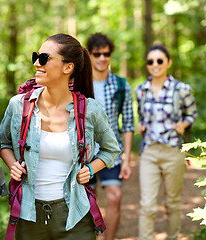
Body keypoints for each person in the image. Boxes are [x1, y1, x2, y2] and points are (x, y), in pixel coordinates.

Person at [0, 33, 120, 239]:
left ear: (68, 67)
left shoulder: (90, 110)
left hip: (75, 215)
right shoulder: (19, 105)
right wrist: (13, 164)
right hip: (29, 214)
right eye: (36, 56)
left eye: (45, 58)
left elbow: (111, 149)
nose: (37, 63)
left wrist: (91, 169)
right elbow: (3, 143)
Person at [135, 44, 197, 240]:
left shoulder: (181, 89)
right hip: (150, 152)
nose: (155, 64)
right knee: (147, 205)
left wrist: (184, 124)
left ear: (168, 63)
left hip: (173, 151)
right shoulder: (141, 90)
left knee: (172, 203)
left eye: (159, 60)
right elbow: (141, 116)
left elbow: (191, 114)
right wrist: (141, 126)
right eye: (150, 61)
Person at [86, 32, 134, 240]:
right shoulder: (78, 85)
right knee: (88, 202)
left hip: (111, 154)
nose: (102, 58)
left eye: (106, 54)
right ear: (89, 55)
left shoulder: (121, 85)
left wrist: (127, 159)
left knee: (115, 197)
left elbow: (128, 124)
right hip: (84, 154)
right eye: (97, 54)